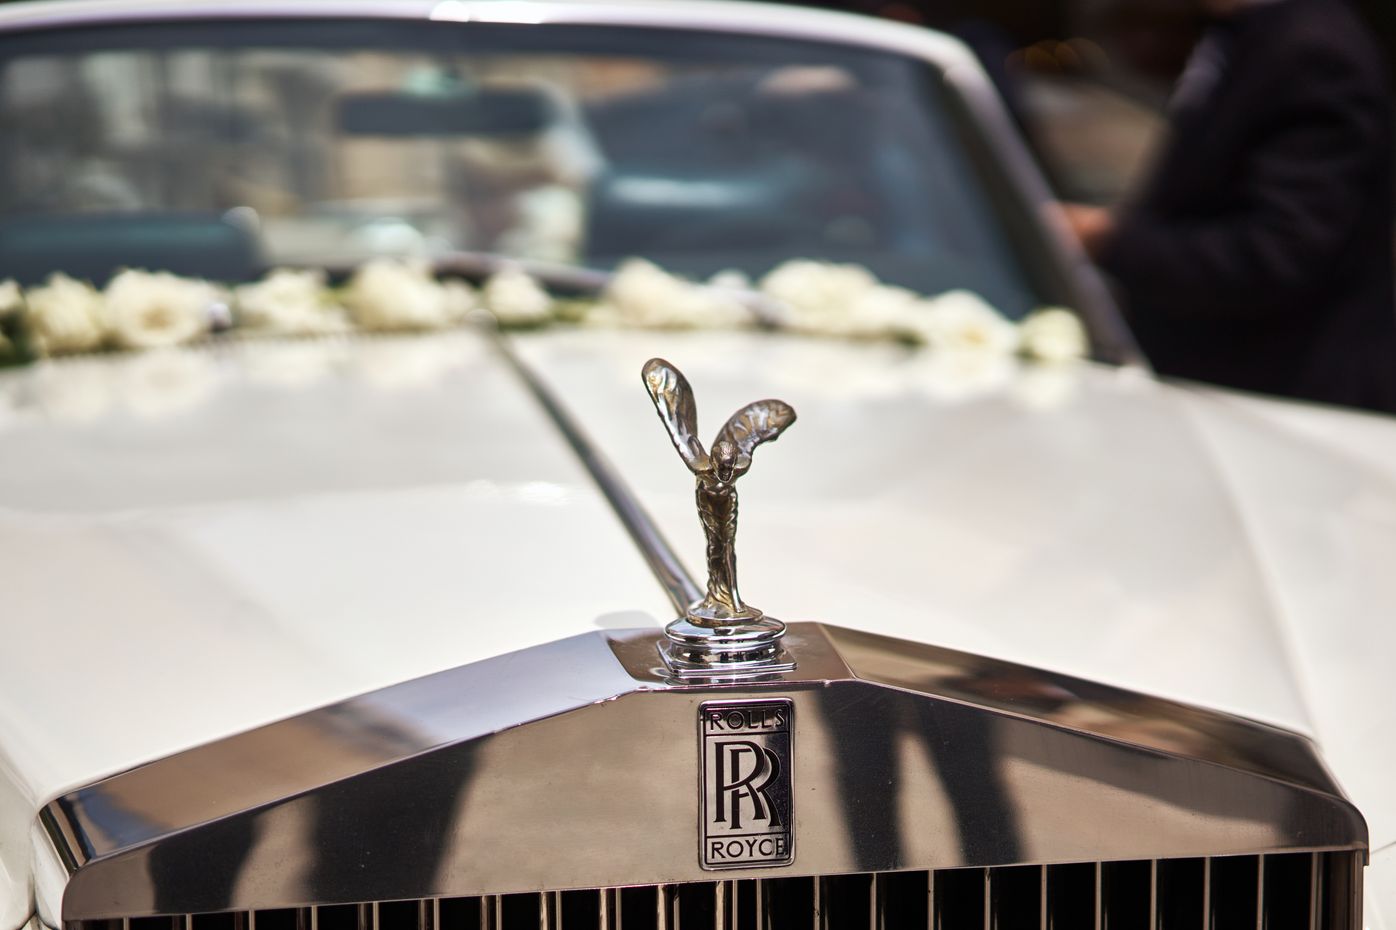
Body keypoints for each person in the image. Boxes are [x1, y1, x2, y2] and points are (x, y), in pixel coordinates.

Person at [1063, 0, 1396, 413]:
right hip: (1225, 382)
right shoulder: (1245, 33)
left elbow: (1276, 254)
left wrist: (1109, 239)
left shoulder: (1314, 48)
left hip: (1281, 395)